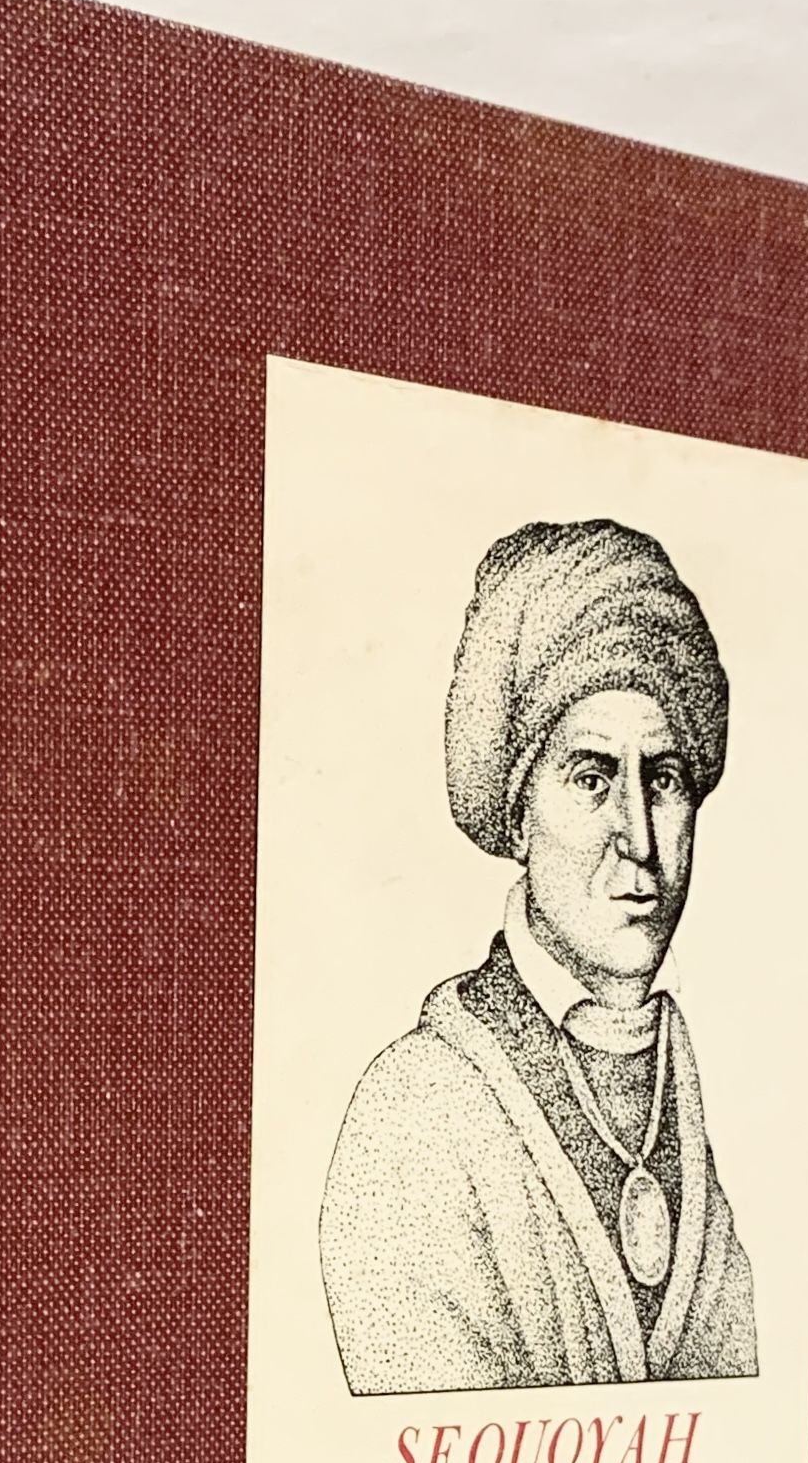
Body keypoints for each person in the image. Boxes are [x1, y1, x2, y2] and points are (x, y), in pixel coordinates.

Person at [318, 516, 761, 1395]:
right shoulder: (415, 1117)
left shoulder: (678, 1098)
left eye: (665, 779)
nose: (639, 839)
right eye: (592, 779)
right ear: (518, 816)